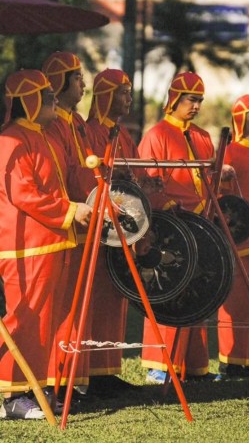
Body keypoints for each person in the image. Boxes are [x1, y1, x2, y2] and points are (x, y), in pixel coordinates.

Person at [0, 69, 92, 420]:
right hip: (24, 247)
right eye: (47, 95)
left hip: (53, 241)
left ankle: (36, 390)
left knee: (46, 323)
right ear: (29, 101)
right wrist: (70, 211)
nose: (54, 99)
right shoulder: (10, 140)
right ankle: (12, 397)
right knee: (25, 320)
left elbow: (67, 178)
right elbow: (24, 194)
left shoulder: (46, 136)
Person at [139, 71, 220, 383]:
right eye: (190, 99)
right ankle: (158, 366)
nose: (196, 106)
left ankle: (194, 367)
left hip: (201, 224)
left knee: (198, 292)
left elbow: (209, 179)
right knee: (168, 292)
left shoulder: (203, 136)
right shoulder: (156, 135)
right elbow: (147, 184)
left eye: (200, 100)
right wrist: (167, 205)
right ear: (174, 99)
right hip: (170, 227)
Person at [85, 68, 143, 397]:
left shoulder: (123, 134)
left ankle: (107, 370)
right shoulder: (91, 131)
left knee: (114, 298)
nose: (128, 99)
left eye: (129, 92)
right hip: (99, 227)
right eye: (123, 92)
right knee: (96, 298)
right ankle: (91, 373)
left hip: (122, 225)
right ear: (106, 95)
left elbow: (133, 173)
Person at [42, 52, 96, 400]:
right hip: (64, 223)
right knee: (59, 308)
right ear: (59, 82)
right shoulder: (53, 126)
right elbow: (69, 176)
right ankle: (54, 378)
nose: (83, 84)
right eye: (76, 77)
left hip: (80, 220)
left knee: (75, 307)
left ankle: (69, 377)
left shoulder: (75, 122)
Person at [217, 94, 249, 379]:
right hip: (240, 241)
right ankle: (231, 361)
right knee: (237, 303)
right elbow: (219, 195)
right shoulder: (230, 153)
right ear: (242, 120)